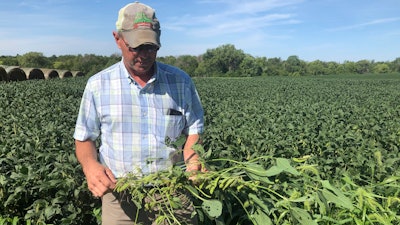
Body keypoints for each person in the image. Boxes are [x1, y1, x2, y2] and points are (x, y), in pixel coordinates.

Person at [73, 2, 205, 224]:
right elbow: (84, 137)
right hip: (121, 196)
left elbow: (194, 129)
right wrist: (90, 166)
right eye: (135, 47)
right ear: (118, 39)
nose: (144, 55)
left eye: (150, 47)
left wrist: (193, 158)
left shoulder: (180, 82)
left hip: (173, 190)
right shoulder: (98, 85)